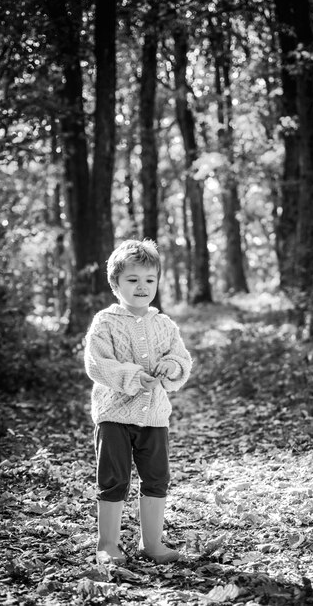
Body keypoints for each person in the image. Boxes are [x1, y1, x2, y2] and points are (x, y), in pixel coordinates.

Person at [84, 238, 192, 567]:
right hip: (114, 415)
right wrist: (133, 376)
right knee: (114, 478)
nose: (142, 287)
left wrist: (170, 367)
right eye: (132, 280)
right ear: (116, 283)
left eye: (149, 280)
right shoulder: (105, 322)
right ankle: (108, 544)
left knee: (156, 478)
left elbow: (181, 359)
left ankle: (153, 543)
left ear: (158, 282)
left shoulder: (164, 324)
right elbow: (97, 364)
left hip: (155, 416)